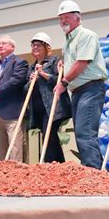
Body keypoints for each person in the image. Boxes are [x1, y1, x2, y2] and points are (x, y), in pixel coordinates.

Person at [54, 0, 108, 169]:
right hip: (77, 91)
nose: (63, 20)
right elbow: (74, 62)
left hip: (90, 89)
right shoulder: (68, 40)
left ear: (78, 18)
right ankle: (94, 171)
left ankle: (93, 173)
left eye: (67, 17)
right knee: (82, 133)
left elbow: (82, 62)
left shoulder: (86, 35)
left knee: (85, 133)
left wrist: (63, 81)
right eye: (60, 18)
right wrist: (64, 64)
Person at [26, 32, 71, 163]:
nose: (35, 48)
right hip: (39, 109)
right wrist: (31, 80)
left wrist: (42, 74)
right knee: (50, 137)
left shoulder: (55, 61)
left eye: (38, 45)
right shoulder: (31, 67)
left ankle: (47, 165)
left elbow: (60, 81)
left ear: (47, 47)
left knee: (49, 134)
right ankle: (60, 166)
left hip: (53, 107)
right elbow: (25, 89)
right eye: (33, 45)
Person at [0, 35, 28, 162]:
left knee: (15, 148)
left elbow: (16, 81)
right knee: (0, 149)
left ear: (12, 47)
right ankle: (3, 178)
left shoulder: (20, 63)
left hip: (13, 113)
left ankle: (18, 177)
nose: (0, 46)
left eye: (4, 43)